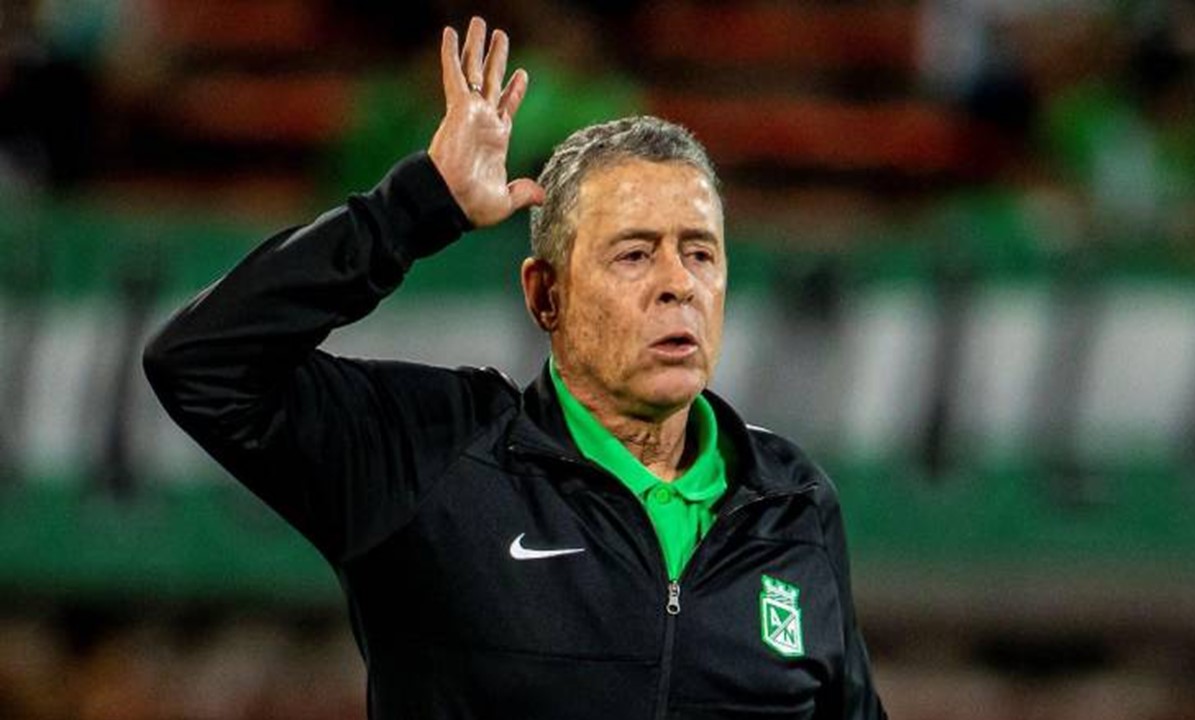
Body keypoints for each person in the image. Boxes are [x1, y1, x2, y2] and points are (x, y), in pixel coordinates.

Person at [143, 16, 887, 720]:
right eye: (634, 254)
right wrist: (415, 207)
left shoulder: (789, 501)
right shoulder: (432, 456)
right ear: (545, 295)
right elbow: (201, 364)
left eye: (700, 252)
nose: (678, 284)